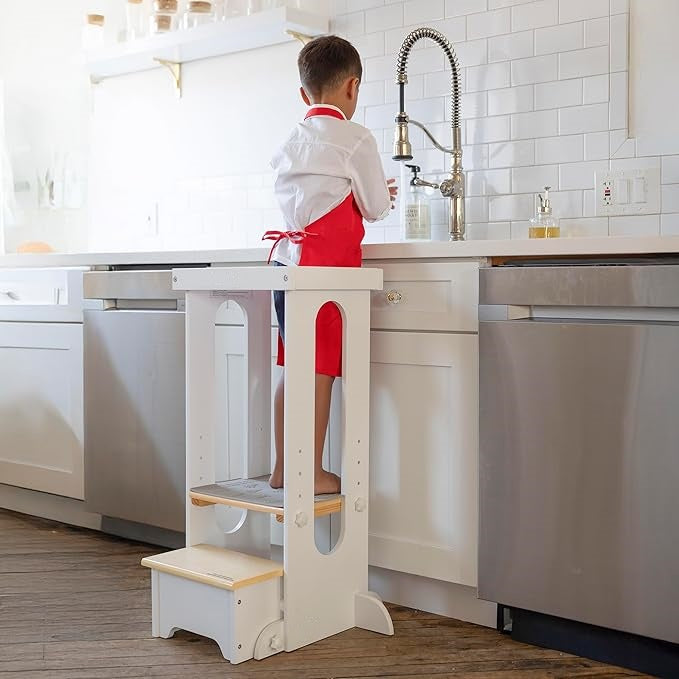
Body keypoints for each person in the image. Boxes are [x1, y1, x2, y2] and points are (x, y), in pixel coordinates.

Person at [264, 35, 397, 495]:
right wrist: (382, 194)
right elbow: (376, 206)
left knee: (291, 366)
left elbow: (309, 199)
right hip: (326, 273)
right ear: (352, 87)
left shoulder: (290, 141)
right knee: (319, 369)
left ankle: (283, 467)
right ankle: (311, 471)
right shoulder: (355, 137)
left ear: (304, 94)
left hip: (286, 267)